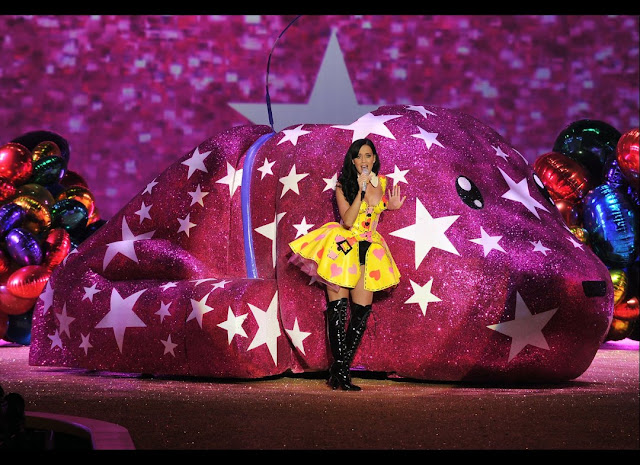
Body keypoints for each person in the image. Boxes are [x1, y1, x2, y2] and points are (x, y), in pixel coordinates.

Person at [288, 138, 406, 390]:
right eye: (358, 156)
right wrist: (361, 192)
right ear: (352, 162)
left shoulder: (382, 183)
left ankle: (339, 370)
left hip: (370, 251)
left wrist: (389, 206)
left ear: (374, 159)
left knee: (361, 313)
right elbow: (349, 221)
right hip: (344, 248)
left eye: (368, 155)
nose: (363, 160)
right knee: (338, 310)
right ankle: (342, 376)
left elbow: (375, 212)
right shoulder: (343, 186)